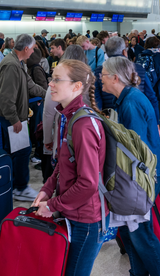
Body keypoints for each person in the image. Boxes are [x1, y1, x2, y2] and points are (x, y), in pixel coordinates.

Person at [31, 59, 107, 276]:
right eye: (51, 78)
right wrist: (47, 188)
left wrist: (52, 205)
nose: (50, 84)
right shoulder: (70, 117)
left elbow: (88, 184)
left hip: (86, 220)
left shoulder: (83, 125)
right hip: (74, 212)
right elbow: (63, 163)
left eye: (57, 79)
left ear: (77, 86)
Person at [99, 56, 160, 276]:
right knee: (131, 232)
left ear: (115, 77)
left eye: (103, 74)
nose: (100, 78)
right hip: (140, 175)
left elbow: (135, 149)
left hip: (140, 178)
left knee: (141, 234)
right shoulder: (128, 98)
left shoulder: (130, 103)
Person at [0, 34, 47, 202]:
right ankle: (20, 187)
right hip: (12, 117)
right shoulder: (11, 65)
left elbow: (30, 85)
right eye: (33, 49)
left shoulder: (19, 63)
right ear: (26, 48)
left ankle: (15, 185)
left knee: (17, 151)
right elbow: (6, 97)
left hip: (16, 116)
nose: (33, 52)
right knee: (23, 151)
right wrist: (14, 120)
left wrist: (49, 94)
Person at [40, 45, 88, 181]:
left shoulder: (59, 85)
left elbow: (48, 114)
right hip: (83, 139)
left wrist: (47, 139)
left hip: (64, 138)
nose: (50, 84)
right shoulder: (89, 81)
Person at [94, 37, 160, 124]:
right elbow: (151, 96)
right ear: (124, 51)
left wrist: (99, 121)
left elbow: (97, 100)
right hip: (137, 117)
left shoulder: (99, 71)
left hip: (110, 120)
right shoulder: (138, 68)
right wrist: (156, 123)